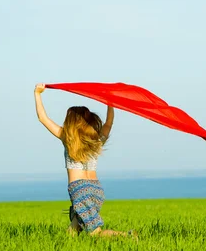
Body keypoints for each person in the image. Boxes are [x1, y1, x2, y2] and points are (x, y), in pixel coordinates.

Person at [34, 83, 136, 238]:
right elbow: (108, 123)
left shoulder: (67, 138)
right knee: (74, 227)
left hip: (79, 190)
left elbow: (43, 118)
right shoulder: (96, 140)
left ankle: (126, 236)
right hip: (96, 190)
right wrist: (109, 102)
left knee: (95, 234)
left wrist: (37, 93)